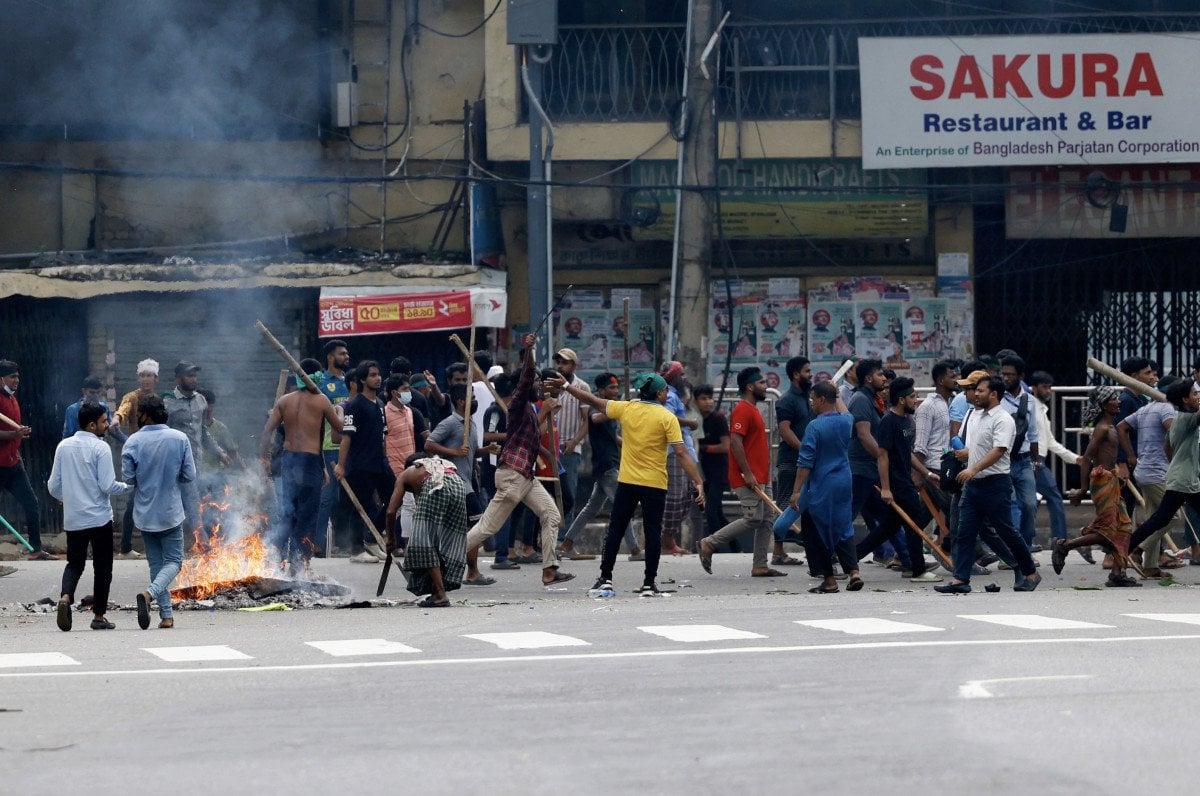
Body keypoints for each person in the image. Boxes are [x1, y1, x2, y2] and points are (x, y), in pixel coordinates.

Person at [548, 370, 704, 595]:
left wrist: (566, 387)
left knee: (615, 529)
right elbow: (681, 453)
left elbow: (592, 400)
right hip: (655, 483)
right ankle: (649, 583)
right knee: (652, 533)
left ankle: (605, 578)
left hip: (628, 481)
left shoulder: (627, 408)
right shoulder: (666, 417)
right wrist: (698, 480)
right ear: (659, 393)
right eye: (664, 391)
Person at [463, 333, 574, 587]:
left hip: (524, 475)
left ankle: (549, 570)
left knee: (551, 515)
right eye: (536, 382)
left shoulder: (530, 411)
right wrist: (530, 350)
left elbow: (536, 434)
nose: (538, 385)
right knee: (486, 529)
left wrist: (547, 410)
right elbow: (526, 377)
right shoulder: (518, 403)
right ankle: (438, 559)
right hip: (513, 474)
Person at [934, 376, 1041, 594]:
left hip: (995, 483)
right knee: (964, 532)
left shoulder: (1003, 419)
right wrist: (966, 455)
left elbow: (999, 450)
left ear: (993, 394)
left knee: (1006, 531)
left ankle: (1029, 572)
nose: (976, 394)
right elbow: (979, 446)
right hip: (973, 485)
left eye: (980, 390)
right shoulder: (974, 415)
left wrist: (973, 468)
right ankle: (960, 579)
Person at [48, 402, 134, 631]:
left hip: (74, 519)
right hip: (99, 519)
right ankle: (98, 616)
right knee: (103, 567)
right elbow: (107, 485)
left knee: (74, 564)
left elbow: (53, 487)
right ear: (92, 424)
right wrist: (129, 487)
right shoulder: (100, 447)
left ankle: (66, 596)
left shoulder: (63, 446)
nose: (107, 425)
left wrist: (70, 498)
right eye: (104, 421)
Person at [775, 380, 861, 593]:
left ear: (822, 399)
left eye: (814, 399)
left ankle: (829, 580)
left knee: (816, 529)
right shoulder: (846, 422)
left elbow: (805, 463)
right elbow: (845, 411)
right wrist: (836, 394)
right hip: (843, 481)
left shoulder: (814, 427)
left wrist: (796, 492)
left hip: (821, 484)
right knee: (843, 526)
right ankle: (854, 572)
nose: (812, 403)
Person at [855, 377, 943, 583]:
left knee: (887, 528)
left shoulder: (908, 421)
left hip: (906, 481)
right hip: (896, 484)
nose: (916, 400)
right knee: (915, 524)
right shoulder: (889, 422)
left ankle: (849, 558)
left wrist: (927, 474)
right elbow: (883, 455)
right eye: (912, 397)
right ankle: (918, 569)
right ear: (902, 400)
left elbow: (907, 454)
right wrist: (886, 488)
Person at [697, 368, 782, 578]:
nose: (766, 386)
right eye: (762, 383)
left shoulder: (753, 409)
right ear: (750, 387)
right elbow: (735, 441)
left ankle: (760, 565)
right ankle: (709, 543)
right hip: (748, 476)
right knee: (753, 518)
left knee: (767, 519)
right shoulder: (743, 410)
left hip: (762, 475)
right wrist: (748, 473)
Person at [1113, 379, 1200, 583]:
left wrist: (1178, 465)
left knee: (1158, 520)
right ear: (1184, 399)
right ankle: (1125, 552)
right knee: (1159, 520)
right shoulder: (1187, 419)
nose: (1198, 397)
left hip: (1180, 477)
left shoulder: (1177, 418)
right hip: (1184, 481)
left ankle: (1124, 553)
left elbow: (1167, 449)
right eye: (1194, 394)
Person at [260, 364, 344, 574]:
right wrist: (340, 411)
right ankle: (298, 565)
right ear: (316, 376)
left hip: (289, 461)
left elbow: (267, 431)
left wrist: (264, 458)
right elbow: (339, 430)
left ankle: (277, 561)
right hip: (308, 463)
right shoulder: (322, 400)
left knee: (289, 514)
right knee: (307, 516)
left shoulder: (284, 400)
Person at [122, 394, 195, 629]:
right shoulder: (179, 438)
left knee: (156, 565)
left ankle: (167, 616)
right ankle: (151, 594)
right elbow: (189, 475)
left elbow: (129, 479)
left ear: (143, 415)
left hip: (144, 514)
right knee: (174, 561)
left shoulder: (132, 442)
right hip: (170, 512)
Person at [1058, 386, 1141, 586]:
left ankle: (1117, 574)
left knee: (1124, 527)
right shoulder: (1103, 429)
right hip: (1102, 480)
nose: (1119, 401)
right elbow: (1087, 458)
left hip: (1110, 479)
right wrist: (1083, 489)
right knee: (1108, 529)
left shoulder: (1112, 427)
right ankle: (1066, 546)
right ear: (1104, 405)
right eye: (1114, 399)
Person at [560, 373, 642, 560]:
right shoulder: (597, 409)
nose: (615, 391)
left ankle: (566, 543)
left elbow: (613, 438)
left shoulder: (611, 410)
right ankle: (635, 550)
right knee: (623, 506)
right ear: (602, 390)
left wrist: (633, 446)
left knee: (591, 508)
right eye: (611, 388)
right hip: (606, 465)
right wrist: (620, 408)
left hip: (609, 463)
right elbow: (595, 419)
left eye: (616, 387)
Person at [385, 456, 470, 607]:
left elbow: (391, 512)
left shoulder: (405, 475)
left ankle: (440, 594)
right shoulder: (435, 465)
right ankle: (437, 589)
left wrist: (391, 539)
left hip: (436, 485)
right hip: (458, 484)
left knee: (423, 542)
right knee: (449, 538)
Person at [334, 360, 395, 563]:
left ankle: (371, 537)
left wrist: (386, 459)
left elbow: (383, 437)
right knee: (360, 507)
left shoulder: (380, 405)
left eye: (378, 374)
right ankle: (356, 550)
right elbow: (346, 438)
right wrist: (341, 466)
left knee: (395, 498)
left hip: (379, 463)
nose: (377, 378)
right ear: (362, 380)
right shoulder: (355, 405)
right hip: (360, 465)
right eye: (372, 375)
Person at [163, 361, 228, 543]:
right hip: (175, 465)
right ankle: (201, 545)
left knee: (197, 505)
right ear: (178, 378)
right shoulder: (168, 402)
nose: (193, 379)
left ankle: (199, 544)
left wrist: (219, 452)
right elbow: (162, 432)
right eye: (189, 375)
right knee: (183, 507)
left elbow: (203, 432)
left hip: (196, 464)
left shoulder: (201, 400)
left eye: (194, 375)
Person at [1029, 371, 1088, 561]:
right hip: (1034, 460)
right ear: (1034, 388)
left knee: (1032, 503)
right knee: (1053, 497)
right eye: (1045, 387)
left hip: (1039, 460)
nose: (1049, 391)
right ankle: (1060, 539)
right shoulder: (1030, 407)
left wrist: (1074, 458)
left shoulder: (1041, 410)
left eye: (1049, 387)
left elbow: (1050, 441)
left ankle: (1026, 540)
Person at [0, 360, 53, 560]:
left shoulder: (12, 399)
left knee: (31, 503)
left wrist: (19, 433)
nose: (16, 380)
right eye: (12, 376)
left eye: (18, 377)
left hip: (13, 463)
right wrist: (14, 434)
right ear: (1, 378)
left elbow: (13, 431)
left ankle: (36, 549)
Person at [113, 358, 160, 558]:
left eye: (149, 375)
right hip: (139, 458)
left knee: (156, 500)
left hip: (156, 456)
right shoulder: (131, 397)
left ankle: (152, 546)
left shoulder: (159, 401)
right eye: (142, 375)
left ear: (155, 378)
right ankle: (125, 548)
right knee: (135, 501)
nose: (145, 379)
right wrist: (129, 441)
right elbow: (120, 416)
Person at [771, 356, 813, 566]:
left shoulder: (806, 397)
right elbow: (785, 430)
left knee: (808, 505)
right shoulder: (787, 399)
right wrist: (804, 449)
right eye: (807, 371)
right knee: (785, 504)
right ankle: (778, 552)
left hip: (806, 462)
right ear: (796, 374)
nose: (810, 374)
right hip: (790, 462)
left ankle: (811, 548)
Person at [998, 356, 1039, 551]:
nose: (1005, 378)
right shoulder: (996, 398)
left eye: (1010, 374)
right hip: (1003, 459)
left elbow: (1033, 434)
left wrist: (1036, 463)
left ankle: (1026, 545)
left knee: (1030, 505)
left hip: (1024, 461)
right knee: (1011, 505)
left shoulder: (1029, 400)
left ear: (1020, 376)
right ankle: (1015, 551)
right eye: (1003, 374)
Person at [660, 360, 700, 555]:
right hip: (674, 453)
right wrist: (689, 422)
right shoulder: (668, 394)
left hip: (685, 453)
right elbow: (666, 418)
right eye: (681, 374)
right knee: (675, 499)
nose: (684, 378)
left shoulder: (676, 396)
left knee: (686, 498)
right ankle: (666, 541)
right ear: (672, 376)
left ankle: (669, 540)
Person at [316, 339, 352, 557]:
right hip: (329, 447)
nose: (346, 357)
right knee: (327, 498)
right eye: (342, 353)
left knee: (347, 498)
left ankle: (346, 543)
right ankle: (317, 545)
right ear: (330, 357)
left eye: (347, 353)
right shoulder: (321, 383)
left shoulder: (351, 382)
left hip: (350, 447)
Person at [552, 348, 591, 534]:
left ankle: (563, 538)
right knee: (547, 495)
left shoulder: (582, 387)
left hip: (568, 449)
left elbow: (586, 421)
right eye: (558, 362)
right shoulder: (549, 384)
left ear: (573, 366)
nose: (560, 366)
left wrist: (574, 442)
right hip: (548, 449)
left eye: (564, 362)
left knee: (568, 495)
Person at [694, 384, 731, 542]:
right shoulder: (696, 420)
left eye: (710, 398)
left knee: (710, 511)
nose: (708, 402)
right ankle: (735, 546)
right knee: (718, 513)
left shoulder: (718, 419)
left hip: (719, 471)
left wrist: (703, 448)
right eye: (704, 398)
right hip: (704, 472)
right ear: (696, 401)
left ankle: (714, 544)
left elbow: (725, 446)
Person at [62, 375, 122, 440]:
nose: (95, 396)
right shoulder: (72, 410)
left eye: (98, 393)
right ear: (84, 391)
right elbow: (67, 434)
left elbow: (112, 430)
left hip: (97, 446)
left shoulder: (104, 407)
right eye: (92, 393)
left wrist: (129, 441)